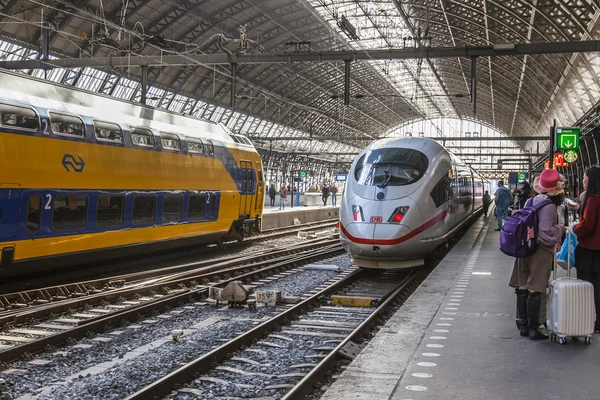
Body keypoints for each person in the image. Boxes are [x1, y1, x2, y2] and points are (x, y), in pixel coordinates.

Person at [508, 169, 566, 340]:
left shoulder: (530, 200)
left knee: (523, 284)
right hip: (540, 251)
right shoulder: (549, 206)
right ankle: (534, 329)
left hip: (524, 248)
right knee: (535, 286)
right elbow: (546, 232)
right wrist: (560, 229)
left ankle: (523, 325)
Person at [573, 166, 600, 332]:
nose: (583, 181)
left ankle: (588, 320)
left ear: (592, 180)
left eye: (585, 178)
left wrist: (575, 228)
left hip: (589, 251)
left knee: (587, 287)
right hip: (597, 251)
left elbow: (587, 226)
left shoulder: (593, 200)